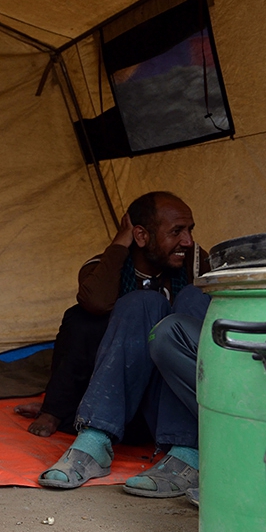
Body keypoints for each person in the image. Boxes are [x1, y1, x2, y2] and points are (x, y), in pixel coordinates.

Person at [35, 191, 210, 497]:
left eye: (190, 230)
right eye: (176, 232)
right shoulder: (107, 265)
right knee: (139, 303)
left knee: (195, 298)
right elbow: (94, 303)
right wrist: (120, 243)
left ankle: (188, 452)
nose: (188, 241)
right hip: (125, 408)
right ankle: (95, 442)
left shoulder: (195, 262)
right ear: (141, 235)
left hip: (175, 410)